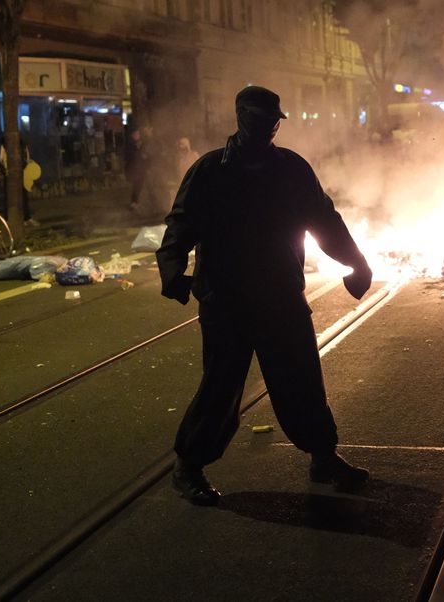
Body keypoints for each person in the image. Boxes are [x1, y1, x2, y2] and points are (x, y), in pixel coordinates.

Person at [156, 86, 374, 506]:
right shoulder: (209, 171)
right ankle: (188, 467)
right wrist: (173, 275)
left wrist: (356, 263)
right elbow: (180, 226)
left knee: (302, 381)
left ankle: (323, 458)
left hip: (280, 295)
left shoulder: (290, 169)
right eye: (260, 121)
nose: (268, 128)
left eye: (273, 121)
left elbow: (324, 220)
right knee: (221, 387)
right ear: (242, 120)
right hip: (227, 299)